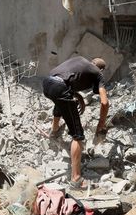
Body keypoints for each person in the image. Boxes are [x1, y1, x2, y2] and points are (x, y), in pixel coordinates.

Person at [43, 56, 110, 188]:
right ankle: (76, 178)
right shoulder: (98, 74)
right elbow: (104, 102)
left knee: (61, 102)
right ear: (101, 69)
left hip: (47, 83)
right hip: (61, 87)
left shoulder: (79, 61)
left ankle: (54, 130)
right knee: (78, 135)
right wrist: (101, 123)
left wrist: (76, 95)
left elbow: (65, 78)